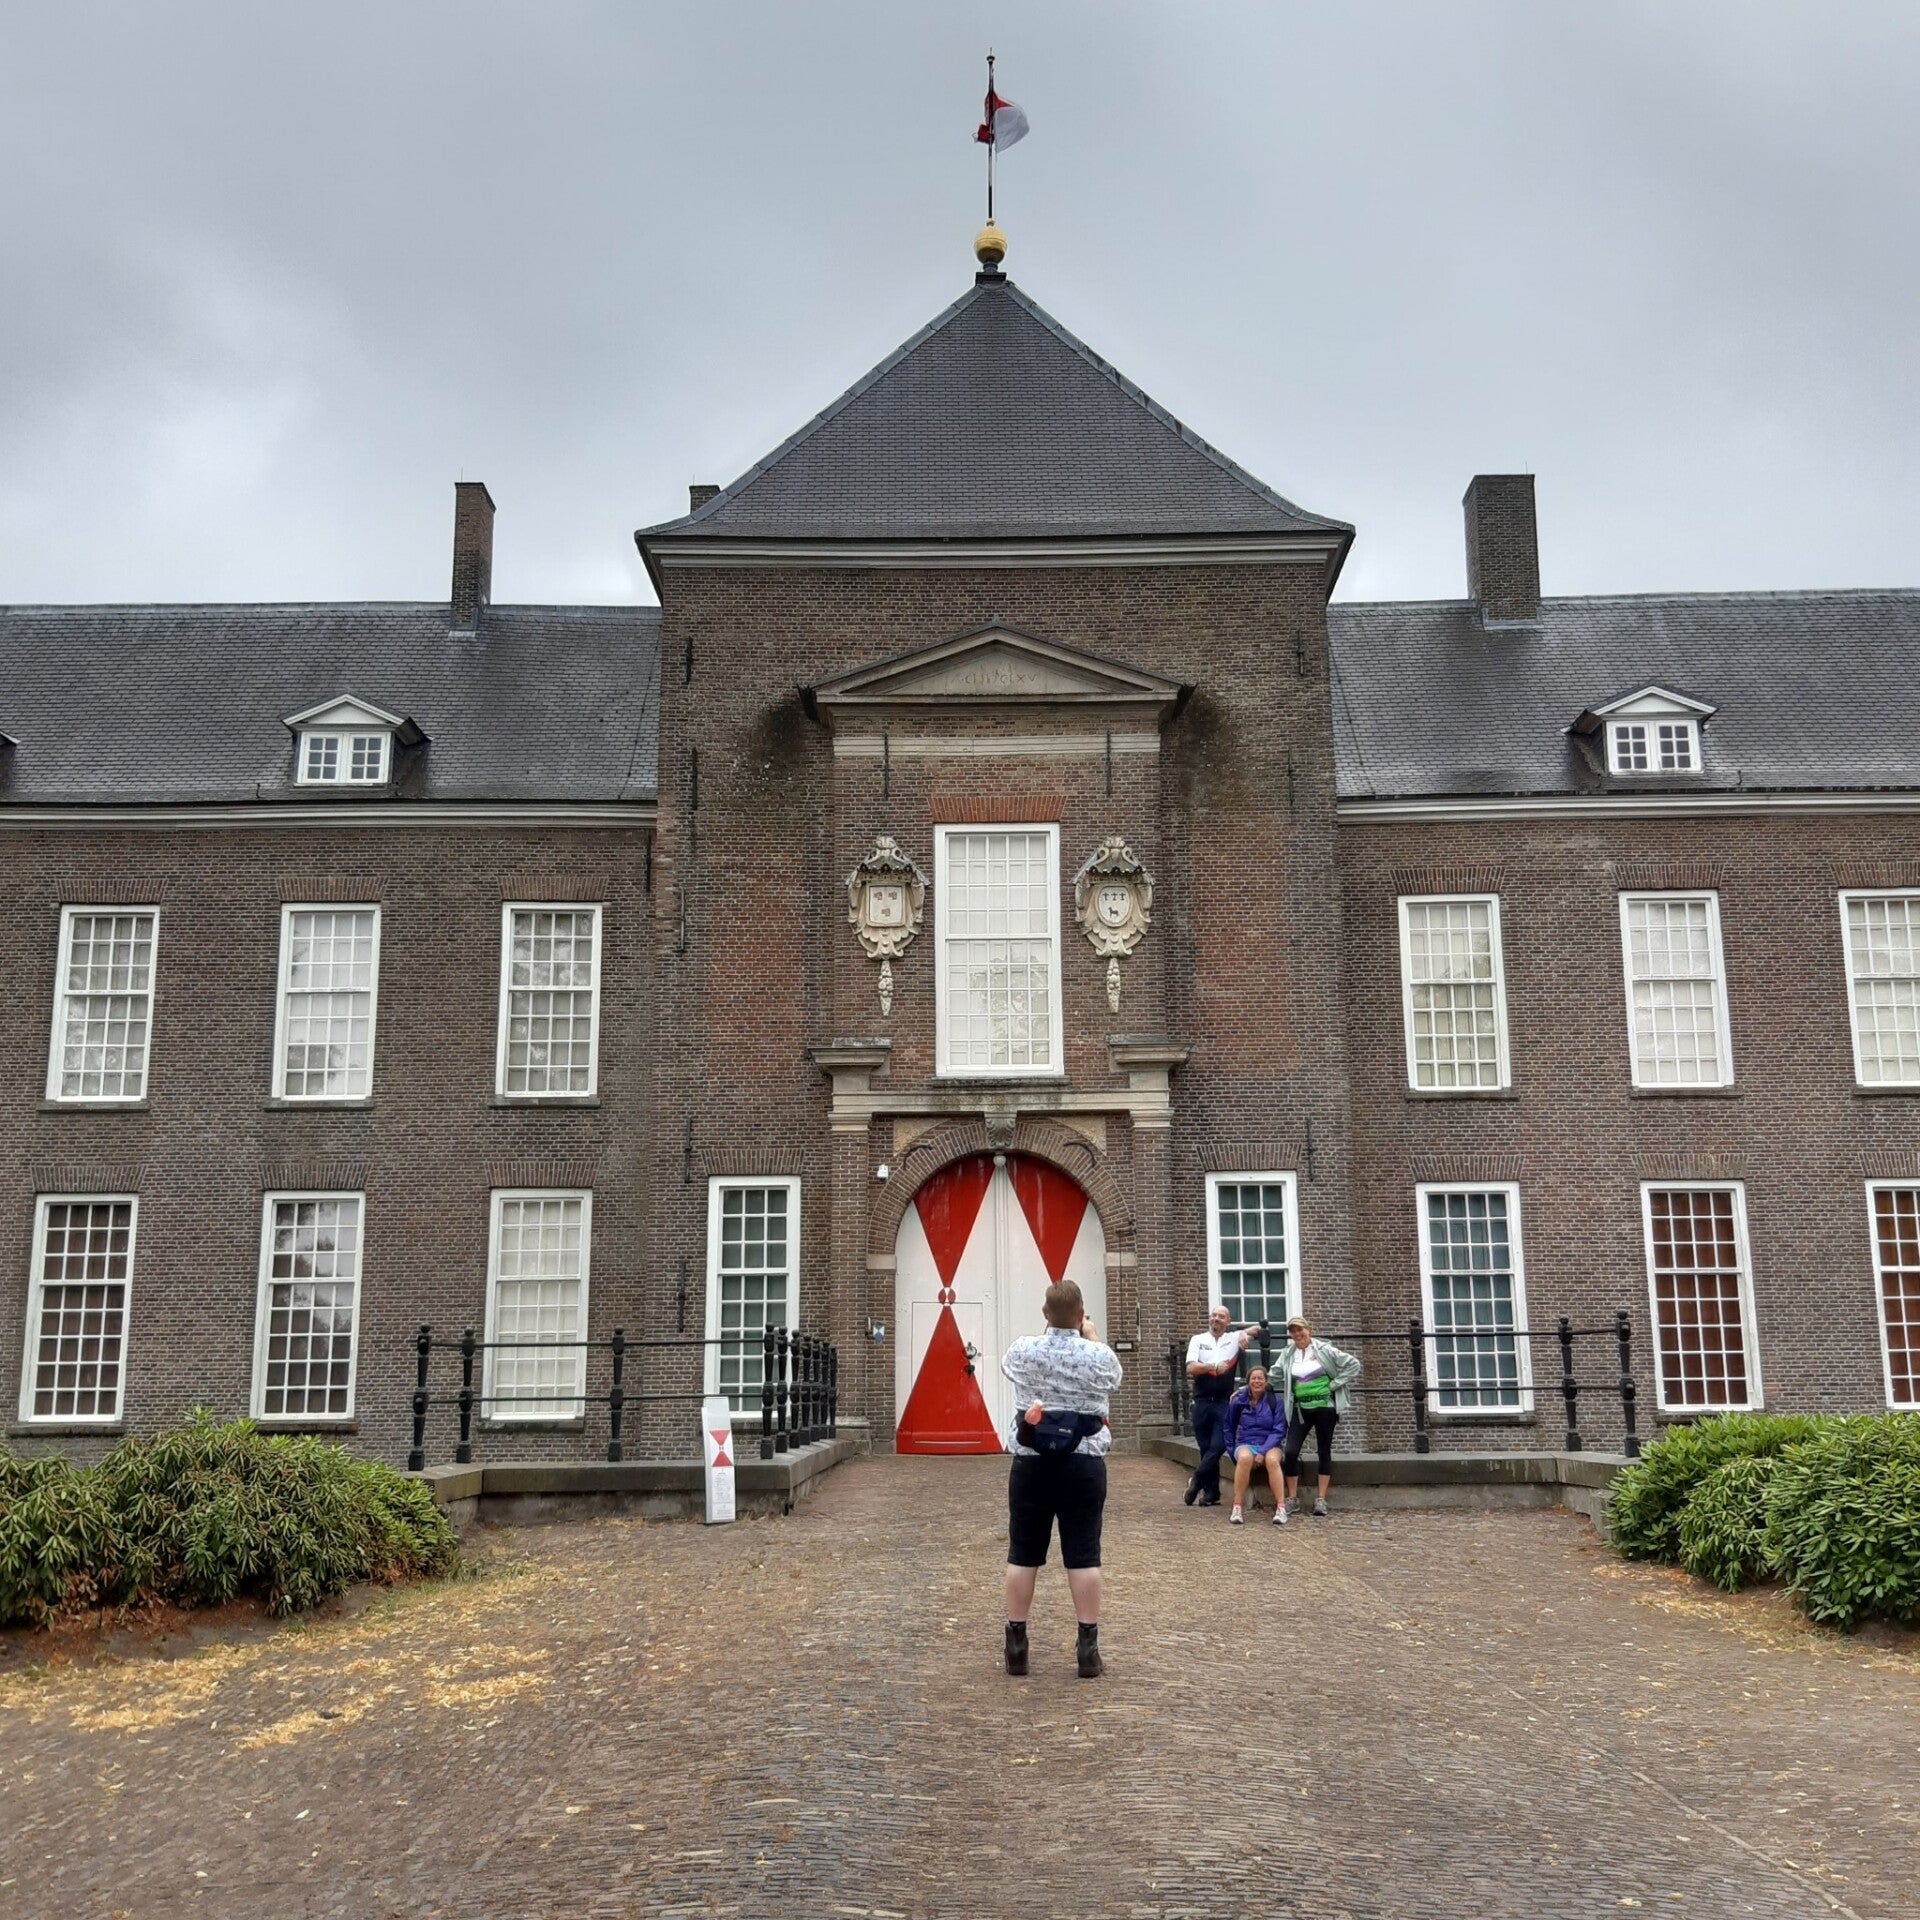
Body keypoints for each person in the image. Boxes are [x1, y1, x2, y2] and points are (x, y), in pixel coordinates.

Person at [1000, 1278, 1123, 1680]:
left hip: (1031, 1463)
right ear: (1082, 1314)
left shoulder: (1023, 1349)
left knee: (1023, 1553)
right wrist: (1092, 1336)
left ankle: (1016, 1646)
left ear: (1044, 1313)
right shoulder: (1097, 1355)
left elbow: (1009, 1368)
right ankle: (1087, 1649)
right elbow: (1114, 1378)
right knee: (1084, 1554)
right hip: (1082, 1463)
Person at [1279, 1314, 1361, 1518]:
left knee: (1323, 1450)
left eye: (1300, 1329)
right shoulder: (1288, 1354)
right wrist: (1247, 1389)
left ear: (1309, 1330)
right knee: (1290, 1452)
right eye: (1293, 1331)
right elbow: (1273, 1375)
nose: (1297, 1334)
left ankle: (1321, 1499)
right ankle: (1292, 1498)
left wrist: (1334, 1384)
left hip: (1325, 1407)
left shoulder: (1324, 1349)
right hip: (1300, 1409)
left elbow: (1353, 1364)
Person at [1182, 1304, 1260, 1507]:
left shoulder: (1233, 1338)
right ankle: (1212, 1493)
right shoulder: (1198, 1339)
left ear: (1228, 1322)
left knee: (1219, 1445)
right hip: (1201, 1400)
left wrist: (1243, 1333)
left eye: (1221, 1316)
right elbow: (1191, 1368)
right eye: (1214, 1315)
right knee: (1206, 1448)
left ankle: (1196, 1481)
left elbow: (1258, 1329)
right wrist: (1213, 1366)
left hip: (1224, 1402)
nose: (1216, 1319)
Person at [1222, 1365, 1289, 1525]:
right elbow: (1228, 1427)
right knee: (1244, 1458)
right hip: (1246, 1442)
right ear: (1248, 1382)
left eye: (1260, 1378)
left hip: (1270, 1443)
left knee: (1272, 1460)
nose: (1257, 1381)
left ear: (1266, 1382)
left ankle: (1281, 1507)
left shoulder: (1275, 1402)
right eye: (1253, 1378)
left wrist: (1263, 1451)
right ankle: (1237, 1506)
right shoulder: (1238, 1401)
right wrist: (1232, 1452)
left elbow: (1279, 1430)